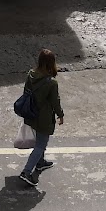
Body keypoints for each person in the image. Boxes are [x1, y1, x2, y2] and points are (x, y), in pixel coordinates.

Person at [18, 47, 65, 188]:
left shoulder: (30, 75)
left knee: (39, 140)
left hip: (31, 113)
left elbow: (26, 92)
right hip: (44, 117)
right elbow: (55, 102)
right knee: (40, 144)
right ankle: (26, 172)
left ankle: (40, 162)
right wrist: (61, 115)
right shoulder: (51, 83)